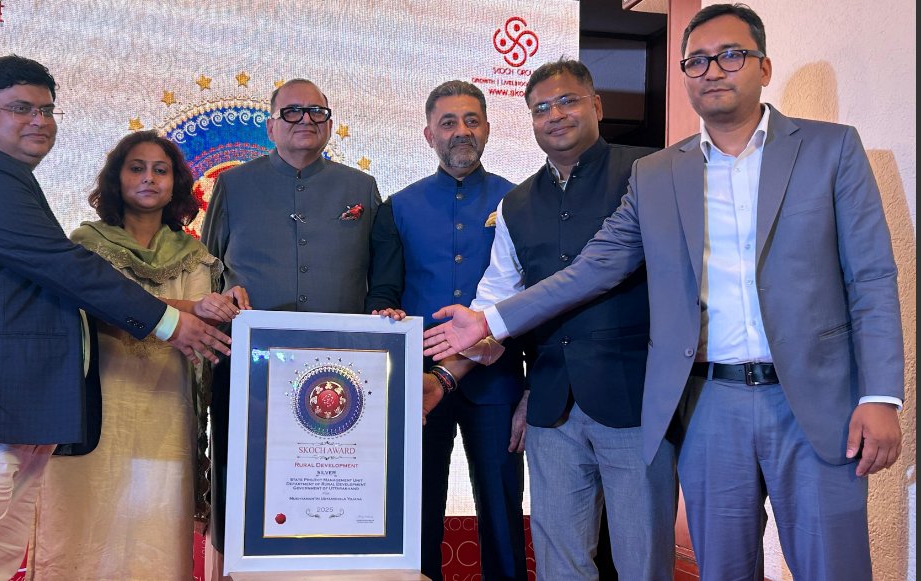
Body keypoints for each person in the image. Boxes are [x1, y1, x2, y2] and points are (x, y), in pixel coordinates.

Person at [423, 4, 904, 579]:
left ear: (764, 66)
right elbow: (595, 267)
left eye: (731, 55)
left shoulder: (829, 148)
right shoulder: (660, 174)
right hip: (707, 402)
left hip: (808, 400)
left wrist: (881, 395)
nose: (713, 70)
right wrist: (487, 323)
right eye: (697, 61)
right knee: (721, 569)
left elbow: (871, 278)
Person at [0, 56, 231, 581]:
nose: (39, 121)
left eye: (46, 110)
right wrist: (172, 324)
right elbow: (64, 268)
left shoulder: (9, 178)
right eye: (21, 108)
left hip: (7, 411)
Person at [465, 59, 675, 579]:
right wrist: (455, 356)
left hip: (637, 401)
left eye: (567, 101)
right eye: (541, 108)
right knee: (560, 563)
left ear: (596, 105)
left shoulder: (649, 171)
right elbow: (497, 296)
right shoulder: (515, 203)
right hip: (551, 408)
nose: (554, 115)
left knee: (643, 561)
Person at [30, 131, 249, 580]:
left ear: (176, 184)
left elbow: (205, 330)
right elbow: (94, 312)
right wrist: (191, 309)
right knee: (85, 524)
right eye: (137, 168)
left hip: (167, 408)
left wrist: (229, 305)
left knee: (155, 530)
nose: (149, 178)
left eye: (160, 170)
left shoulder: (196, 257)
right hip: (97, 406)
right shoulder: (87, 244)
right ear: (117, 178)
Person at [200, 78, 384, 577]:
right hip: (249, 366)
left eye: (317, 112)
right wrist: (220, 298)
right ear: (270, 125)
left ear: (330, 123)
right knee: (242, 479)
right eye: (292, 111)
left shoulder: (360, 188)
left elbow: (381, 274)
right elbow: (207, 267)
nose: (306, 120)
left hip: (339, 372)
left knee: (333, 484)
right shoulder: (234, 185)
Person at [365, 80, 528, 581]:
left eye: (471, 120)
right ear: (428, 134)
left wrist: (534, 390)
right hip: (419, 383)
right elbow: (384, 291)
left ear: (488, 129)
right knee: (417, 511)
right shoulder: (398, 206)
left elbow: (537, 299)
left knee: (503, 512)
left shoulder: (520, 201)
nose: (462, 131)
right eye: (449, 122)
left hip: (498, 383)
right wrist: (383, 315)